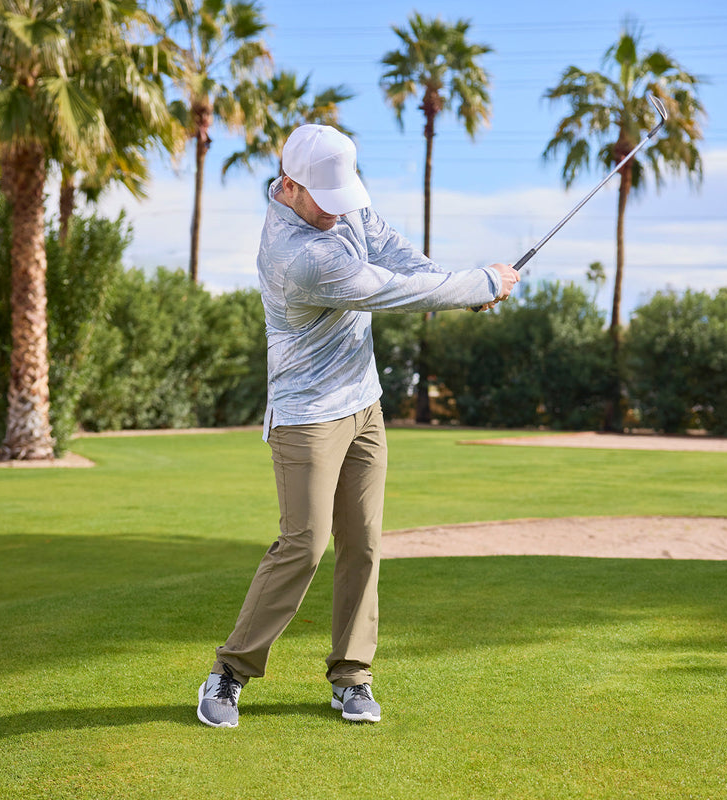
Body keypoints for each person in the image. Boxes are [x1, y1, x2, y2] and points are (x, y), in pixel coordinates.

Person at [197, 124, 519, 728]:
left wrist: (459, 289)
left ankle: (352, 676)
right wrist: (478, 284)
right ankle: (229, 673)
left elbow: (391, 248)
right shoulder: (299, 257)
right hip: (307, 416)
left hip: (364, 404)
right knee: (304, 545)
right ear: (290, 186)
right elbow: (388, 290)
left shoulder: (337, 202)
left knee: (364, 543)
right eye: (329, 200)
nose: (341, 210)